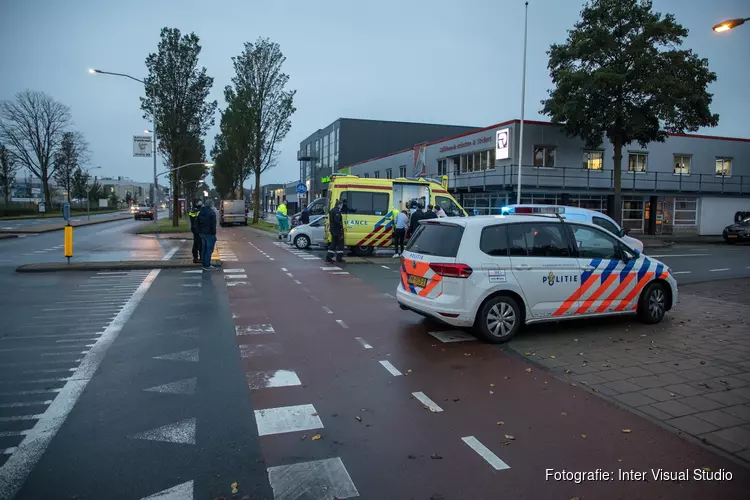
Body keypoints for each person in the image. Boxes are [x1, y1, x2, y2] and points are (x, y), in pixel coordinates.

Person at [197, 199, 218, 271]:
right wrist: (214, 233)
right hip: (209, 234)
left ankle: (204, 263)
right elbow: (213, 225)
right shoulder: (212, 213)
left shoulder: (201, 212)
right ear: (211, 205)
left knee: (204, 249)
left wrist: (199, 231)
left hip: (202, 233)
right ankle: (207, 264)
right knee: (209, 250)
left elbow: (197, 222)